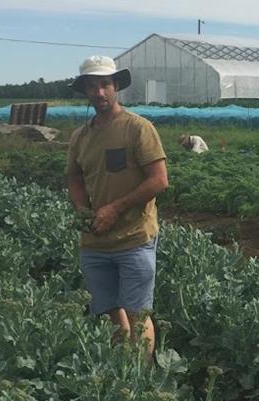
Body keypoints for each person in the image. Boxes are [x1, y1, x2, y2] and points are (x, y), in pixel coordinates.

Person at [65, 55, 169, 357]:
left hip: (134, 238)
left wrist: (114, 208)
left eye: (105, 84)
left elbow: (159, 180)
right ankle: (123, 368)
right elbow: (74, 178)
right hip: (95, 241)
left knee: (137, 314)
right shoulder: (80, 137)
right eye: (92, 86)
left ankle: (142, 374)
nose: (99, 92)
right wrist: (84, 211)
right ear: (85, 90)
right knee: (109, 310)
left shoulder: (138, 128)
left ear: (116, 87)